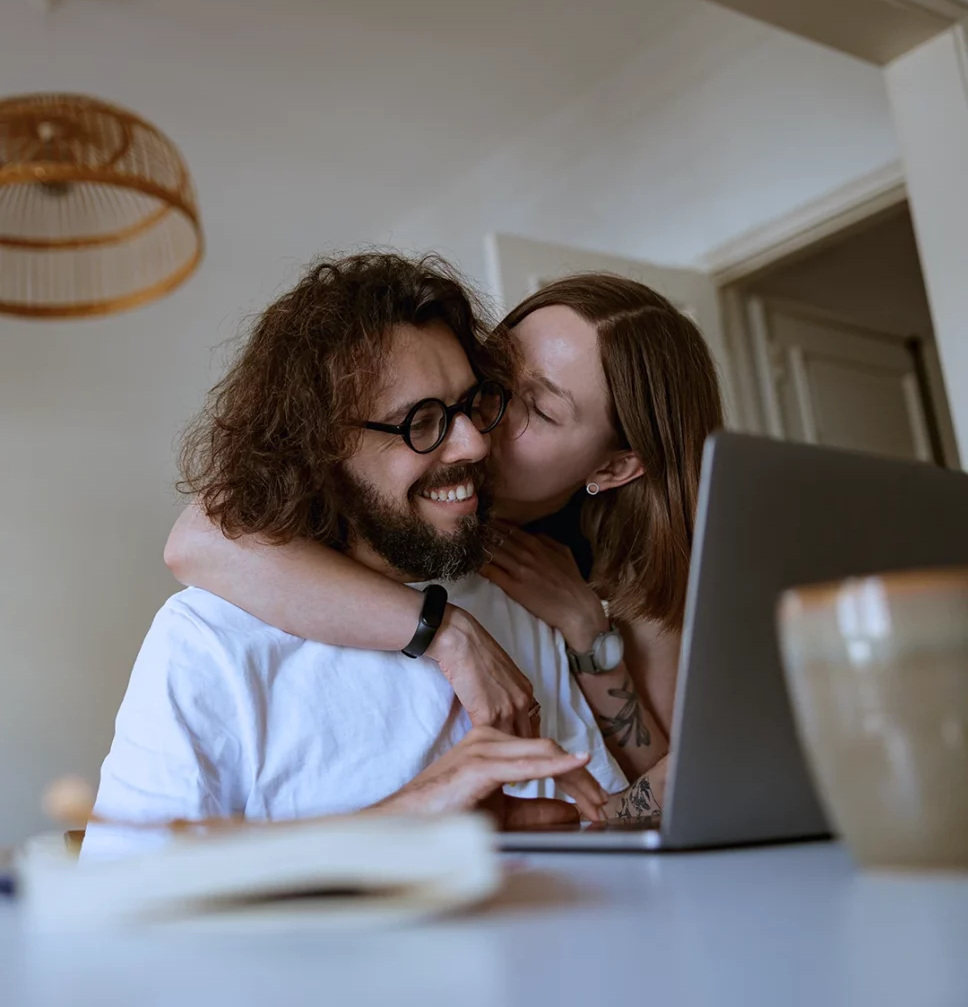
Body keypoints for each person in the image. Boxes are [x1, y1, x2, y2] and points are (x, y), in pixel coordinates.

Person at [84, 253, 656, 860]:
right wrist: (407, 818)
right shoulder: (208, 641)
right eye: (423, 422)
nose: (473, 443)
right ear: (322, 446)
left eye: (472, 404)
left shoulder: (521, 601)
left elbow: (604, 835)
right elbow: (119, 910)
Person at [166, 264, 725, 788]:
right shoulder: (379, 501)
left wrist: (588, 634)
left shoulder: (636, 565)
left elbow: (677, 783)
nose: (483, 419)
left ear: (613, 466)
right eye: (496, 370)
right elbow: (199, 540)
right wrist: (443, 631)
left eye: (541, 410)